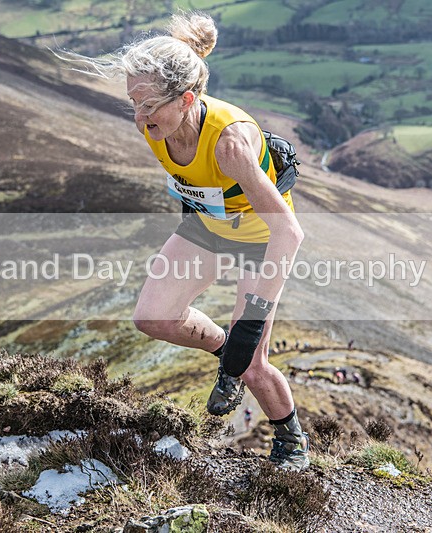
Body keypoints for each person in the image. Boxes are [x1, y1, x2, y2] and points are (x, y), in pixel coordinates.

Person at [58, 11, 308, 471]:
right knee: (153, 317)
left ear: (187, 98)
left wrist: (250, 324)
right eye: (133, 101)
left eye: (148, 105)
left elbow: (288, 232)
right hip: (206, 225)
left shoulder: (230, 145)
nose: (139, 115)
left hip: (261, 238)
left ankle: (291, 441)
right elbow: (190, 184)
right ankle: (223, 351)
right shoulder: (156, 125)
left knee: (252, 363)